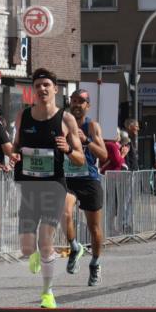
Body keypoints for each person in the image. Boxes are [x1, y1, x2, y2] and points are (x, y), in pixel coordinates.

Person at [13, 68, 84, 309]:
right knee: (25, 248)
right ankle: (36, 254)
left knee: (45, 241)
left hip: (54, 185)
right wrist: (13, 156)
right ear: (33, 90)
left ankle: (47, 292)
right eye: (38, 86)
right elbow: (14, 147)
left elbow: (80, 159)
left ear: (55, 89)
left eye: (46, 85)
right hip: (29, 186)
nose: (42, 89)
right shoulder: (23, 116)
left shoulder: (66, 119)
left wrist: (68, 150)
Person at [62, 89, 107, 286]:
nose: (77, 104)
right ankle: (74, 247)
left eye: (81, 101)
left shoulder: (92, 126)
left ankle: (95, 263)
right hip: (68, 178)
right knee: (65, 213)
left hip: (89, 179)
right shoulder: (62, 123)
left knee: (94, 228)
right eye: (74, 100)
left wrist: (86, 141)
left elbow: (104, 155)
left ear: (88, 106)